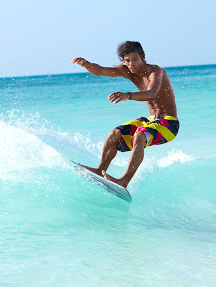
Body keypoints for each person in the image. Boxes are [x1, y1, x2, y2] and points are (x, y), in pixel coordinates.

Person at [71, 41, 179, 188]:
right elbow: (101, 70)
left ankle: (124, 181)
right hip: (151, 120)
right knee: (114, 133)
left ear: (142, 56)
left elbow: (152, 93)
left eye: (135, 59)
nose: (131, 64)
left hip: (169, 123)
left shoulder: (156, 71)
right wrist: (86, 65)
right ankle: (99, 170)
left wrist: (128, 95)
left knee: (140, 135)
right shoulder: (127, 71)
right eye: (127, 61)